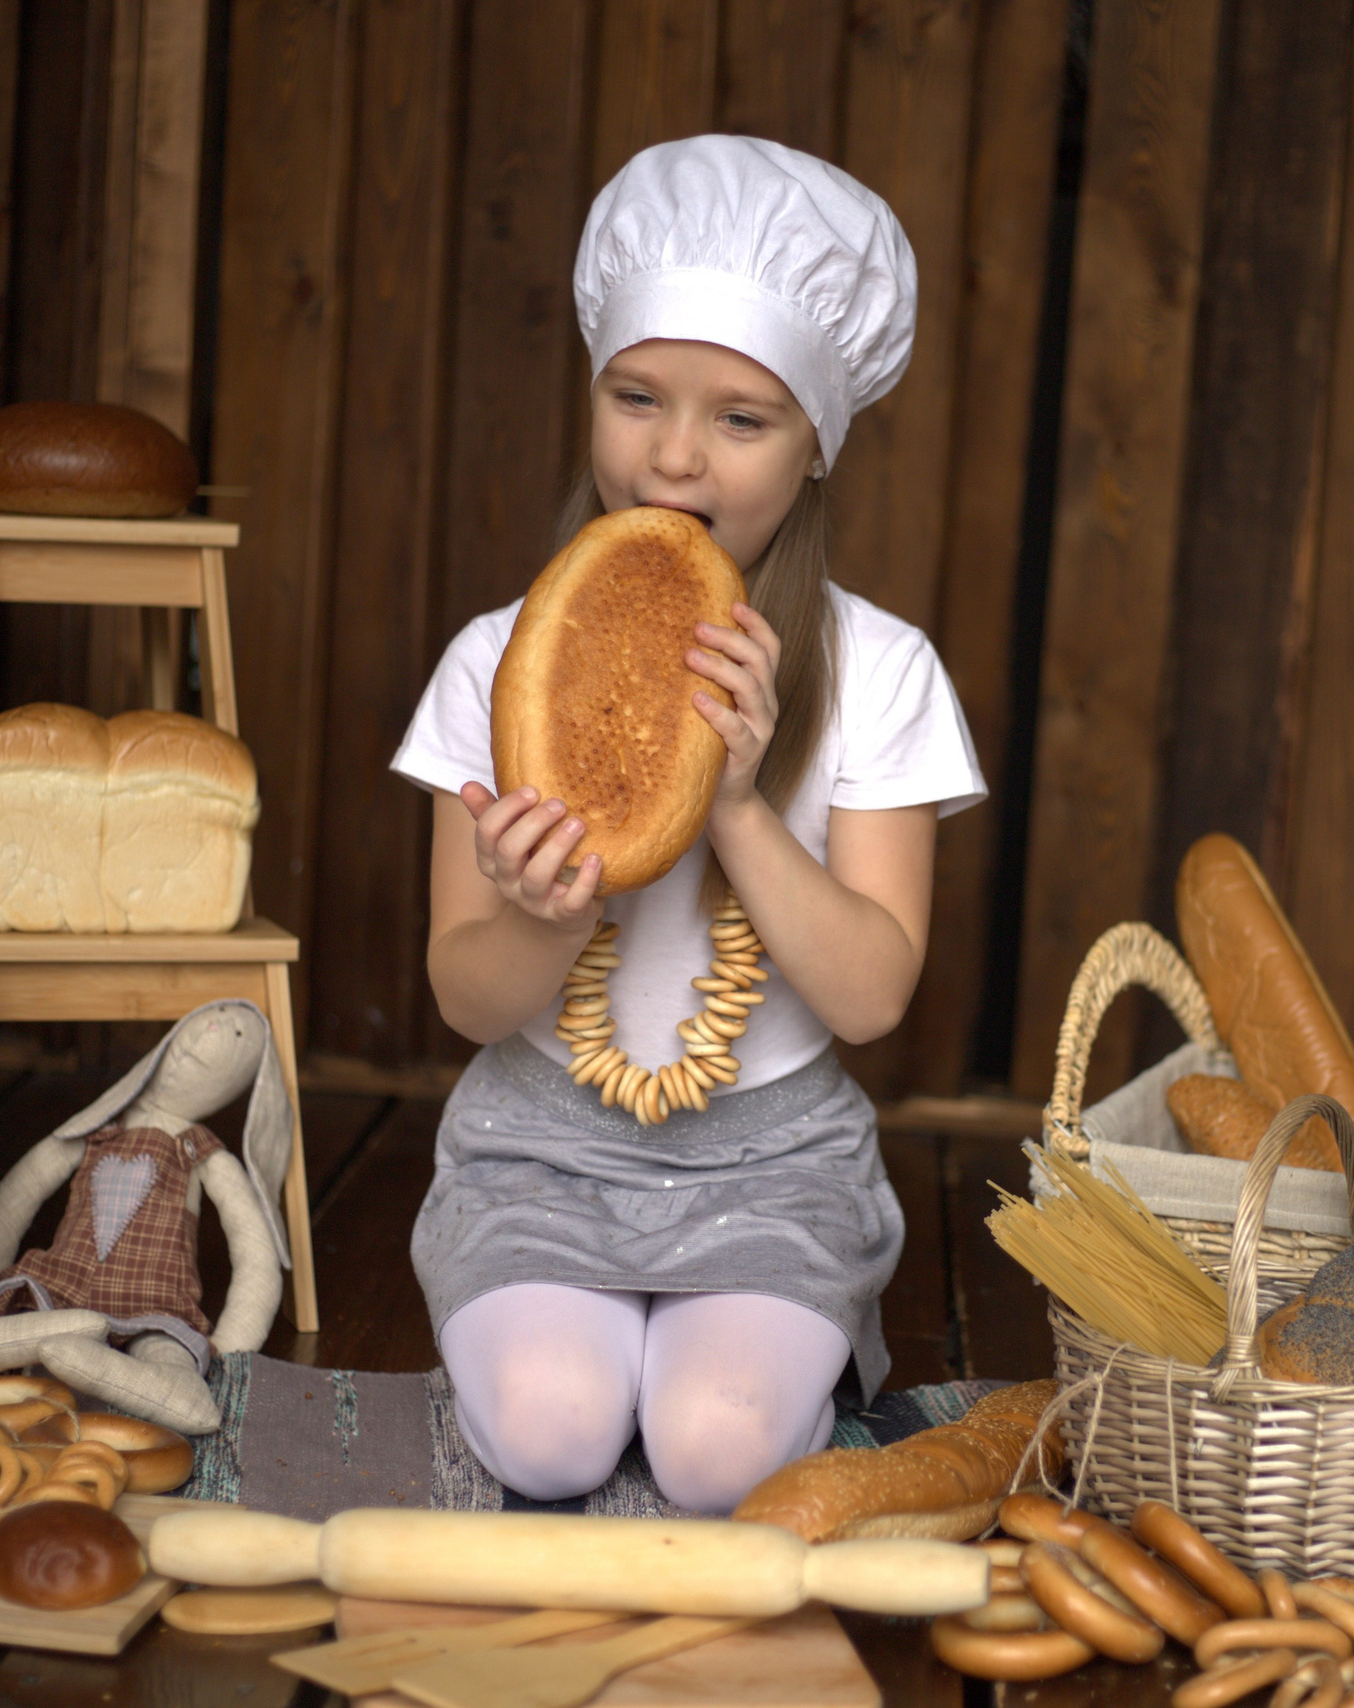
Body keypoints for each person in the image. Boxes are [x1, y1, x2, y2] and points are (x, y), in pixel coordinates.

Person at [390, 135, 985, 1513]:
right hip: (538, 1151)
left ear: (819, 441)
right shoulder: (498, 663)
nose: (672, 454)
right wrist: (547, 913)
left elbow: (873, 993)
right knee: (551, 1437)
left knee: (716, 1454)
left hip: (774, 1167)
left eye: (742, 417)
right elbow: (468, 1000)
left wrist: (732, 801)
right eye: (637, 396)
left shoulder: (885, 671)